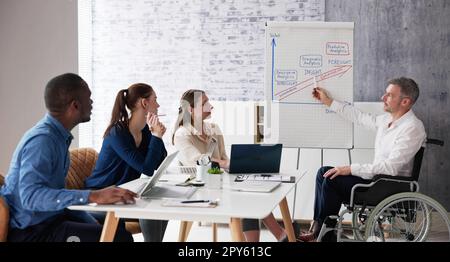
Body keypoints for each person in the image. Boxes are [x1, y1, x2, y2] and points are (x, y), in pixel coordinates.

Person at [0, 73, 136, 242]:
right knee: (119, 238)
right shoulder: (42, 141)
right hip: (31, 232)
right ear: (75, 105)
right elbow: (31, 197)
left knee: (115, 225)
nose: (92, 103)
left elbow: (57, 196)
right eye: (89, 98)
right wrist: (93, 196)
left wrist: (92, 222)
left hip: (51, 218)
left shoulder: (57, 137)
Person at [298, 77, 427, 242]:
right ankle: (319, 229)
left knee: (332, 179)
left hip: (388, 186)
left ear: (405, 101)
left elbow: (391, 168)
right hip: (377, 181)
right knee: (323, 172)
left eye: (389, 95)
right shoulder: (387, 120)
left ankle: (325, 234)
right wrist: (329, 101)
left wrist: (350, 168)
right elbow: (360, 117)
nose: (383, 97)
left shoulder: (412, 128)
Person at [172, 89, 288, 242]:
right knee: (245, 194)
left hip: (220, 182)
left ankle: (275, 237)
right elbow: (198, 161)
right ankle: (280, 234)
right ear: (190, 109)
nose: (210, 105)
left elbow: (223, 158)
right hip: (199, 188)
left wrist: (239, 166)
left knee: (249, 188)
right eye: (204, 103)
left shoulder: (213, 128)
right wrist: (227, 164)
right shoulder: (182, 134)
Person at [84, 83, 168, 242]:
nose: (158, 105)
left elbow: (159, 162)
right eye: (155, 100)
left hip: (123, 192)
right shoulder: (117, 133)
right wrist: (156, 137)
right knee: (151, 213)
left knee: (161, 208)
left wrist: (156, 135)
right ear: (144, 103)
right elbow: (147, 169)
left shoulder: (144, 131)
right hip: (101, 194)